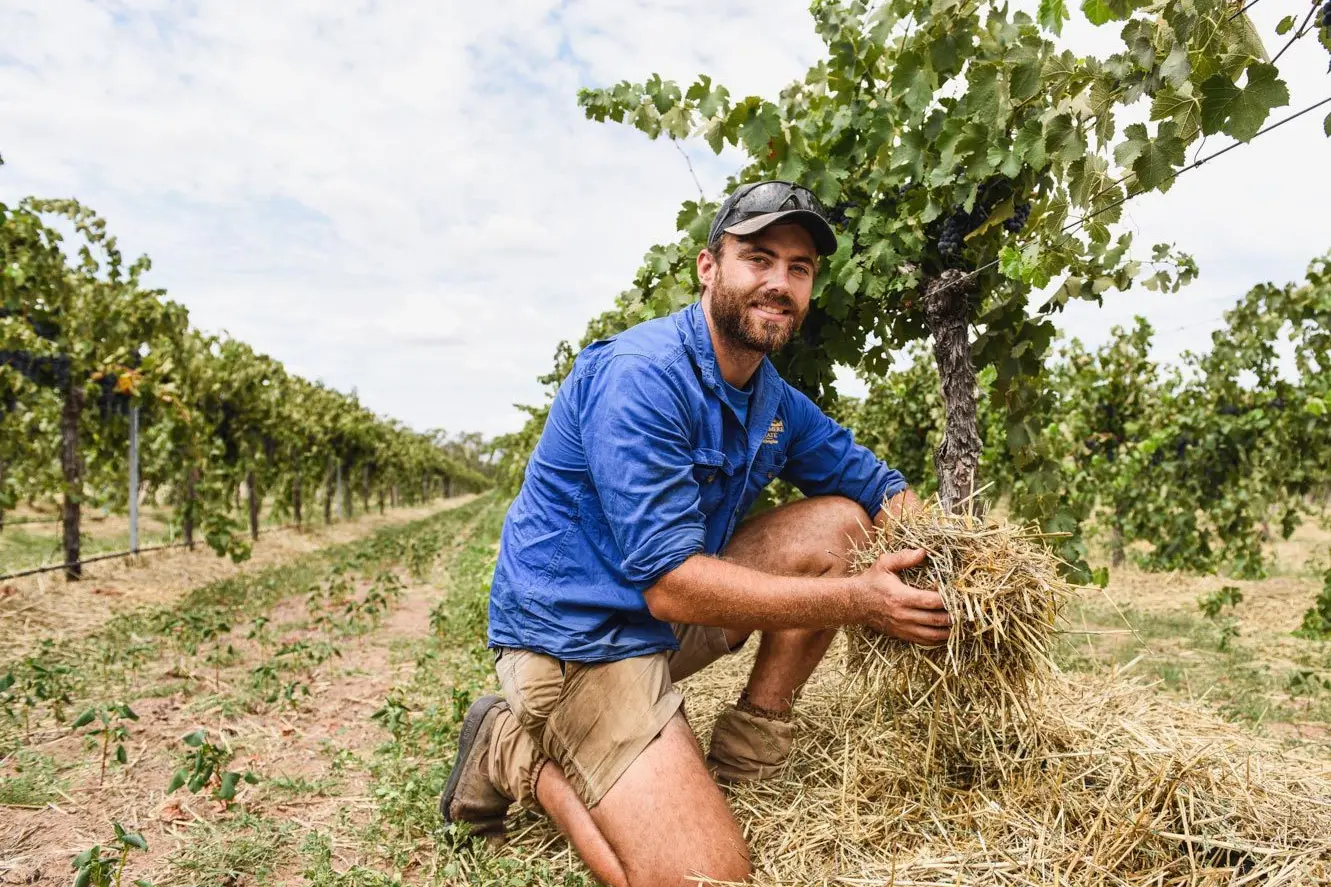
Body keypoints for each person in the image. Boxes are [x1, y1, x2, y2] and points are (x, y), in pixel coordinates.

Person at [439, 180, 952, 887]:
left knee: (841, 523)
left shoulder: (772, 398)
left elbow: (879, 488)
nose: (778, 283)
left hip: (657, 623)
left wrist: (949, 564)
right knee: (704, 880)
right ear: (708, 267)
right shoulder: (641, 376)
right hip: (576, 644)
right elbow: (671, 585)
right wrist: (859, 601)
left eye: (797, 268)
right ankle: (508, 748)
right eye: (758, 258)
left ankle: (748, 747)